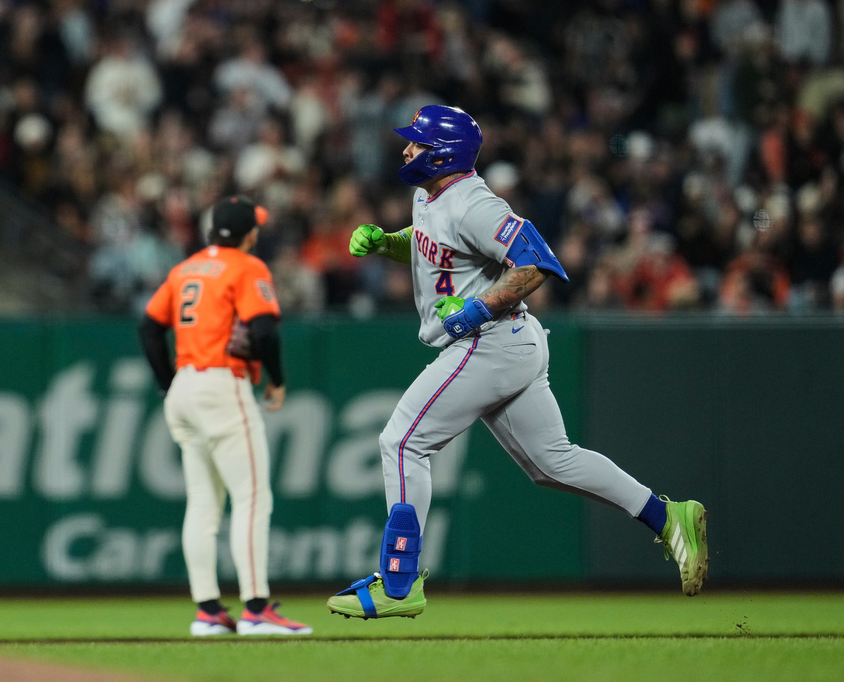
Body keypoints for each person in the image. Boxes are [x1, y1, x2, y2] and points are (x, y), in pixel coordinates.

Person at [327, 105, 709, 619]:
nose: (406, 149)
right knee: (554, 462)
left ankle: (398, 582)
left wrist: (478, 308)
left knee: (402, 440)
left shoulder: (473, 203)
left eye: (416, 142)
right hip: (510, 341)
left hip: (488, 341)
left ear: (443, 152)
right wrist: (388, 244)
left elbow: (539, 260)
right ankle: (667, 516)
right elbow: (438, 255)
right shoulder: (427, 194)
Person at [138, 196, 312, 636]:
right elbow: (264, 329)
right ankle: (255, 609)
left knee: (203, 503)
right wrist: (277, 378)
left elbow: (149, 327)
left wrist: (166, 383)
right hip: (221, 384)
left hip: (185, 387)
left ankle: (208, 611)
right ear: (249, 233)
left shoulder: (186, 268)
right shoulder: (247, 266)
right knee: (253, 498)